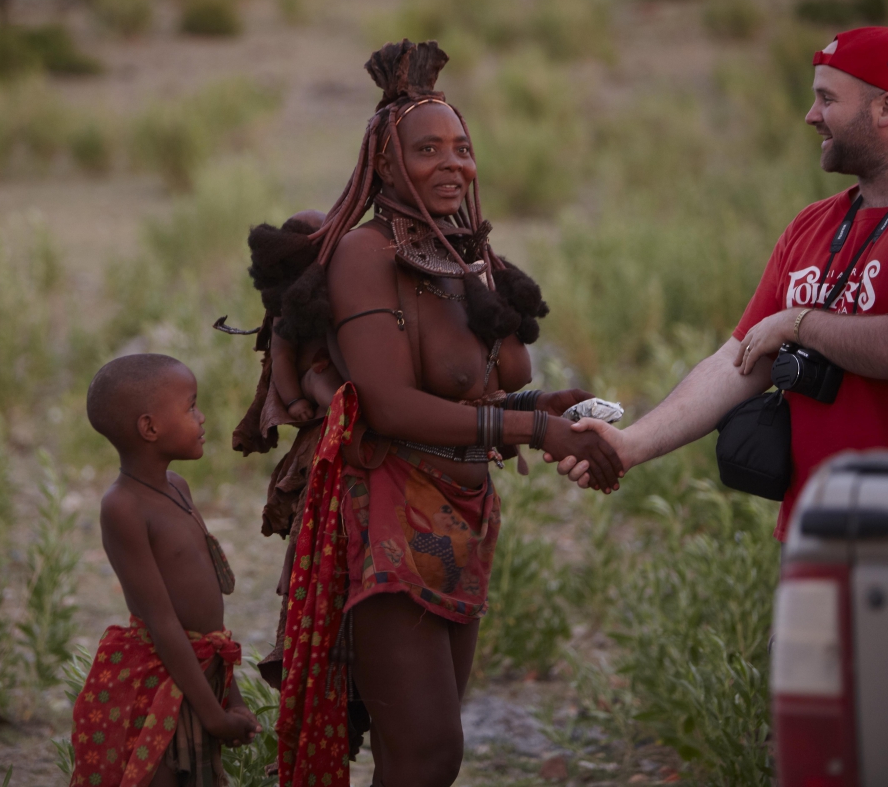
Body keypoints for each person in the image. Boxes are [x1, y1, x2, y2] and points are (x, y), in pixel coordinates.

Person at [239, 40, 623, 787]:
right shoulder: (365, 254)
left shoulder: (465, 258)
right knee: (424, 757)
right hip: (387, 516)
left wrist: (546, 405)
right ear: (386, 165)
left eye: (463, 148)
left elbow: (476, 390)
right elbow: (388, 405)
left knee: (429, 755)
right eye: (428, 150)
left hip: (461, 517)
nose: (453, 164)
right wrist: (535, 429)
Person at [558, 26, 888, 541]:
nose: (811, 115)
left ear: (886, 107)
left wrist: (798, 325)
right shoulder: (811, 226)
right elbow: (737, 361)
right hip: (813, 535)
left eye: (827, 99)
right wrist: (631, 444)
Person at [70, 354, 261, 787]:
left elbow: (211, 629)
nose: (202, 416)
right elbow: (161, 622)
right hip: (158, 678)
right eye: (191, 406)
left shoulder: (178, 487)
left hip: (200, 668)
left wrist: (232, 698)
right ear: (150, 428)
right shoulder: (123, 508)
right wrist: (213, 717)